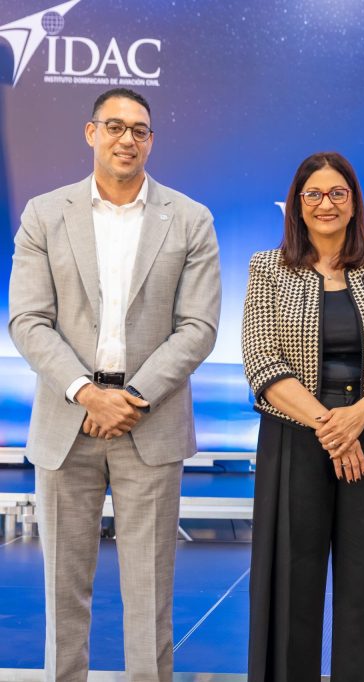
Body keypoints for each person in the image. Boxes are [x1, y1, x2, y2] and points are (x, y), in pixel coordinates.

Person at [7, 88, 221, 681]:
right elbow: (27, 319)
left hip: (148, 424)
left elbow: (198, 328)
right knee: (62, 595)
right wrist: (85, 391)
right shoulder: (45, 214)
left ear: (152, 140)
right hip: (65, 422)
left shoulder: (190, 218)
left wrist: (129, 399)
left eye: (141, 130)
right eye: (115, 126)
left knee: (150, 595)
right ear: (90, 133)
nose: (128, 139)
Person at [242, 151, 364, 681]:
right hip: (296, 443)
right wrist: (333, 427)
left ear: (354, 203)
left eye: (337, 193)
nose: (326, 203)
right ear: (297, 204)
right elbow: (262, 359)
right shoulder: (266, 269)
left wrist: (358, 416)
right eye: (314, 194)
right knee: (290, 585)